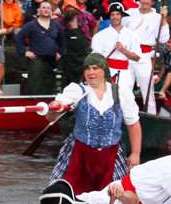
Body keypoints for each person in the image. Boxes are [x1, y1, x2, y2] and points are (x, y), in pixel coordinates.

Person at [48, 51, 141, 195]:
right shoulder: (77, 90)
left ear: (104, 71)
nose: (91, 72)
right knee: (69, 199)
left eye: (95, 68)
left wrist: (135, 153)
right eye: (87, 68)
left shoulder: (120, 92)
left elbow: (133, 124)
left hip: (111, 155)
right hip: (81, 154)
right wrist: (56, 106)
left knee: (116, 199)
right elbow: (52, 116)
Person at [14, 0, 66, 95]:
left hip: (51, 61)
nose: (46, 10)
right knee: (36, 87)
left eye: (48, 8)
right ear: (39, 10)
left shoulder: (56, 25)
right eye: (43, 7)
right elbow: (18, 37)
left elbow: (62, 39)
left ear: (51, 11)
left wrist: (61, 52)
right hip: (37, 61)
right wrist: (24, 52)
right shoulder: (32, 25)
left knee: (50, 87)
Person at [89, 1, 139, 87]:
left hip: (126, 74)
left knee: (124, 98)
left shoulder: (132, 35)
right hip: (107, 72)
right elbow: (95, 58)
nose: (115, 17)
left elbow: (137, 57)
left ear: (122, 16)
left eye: (118, 14)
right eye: (112, 14)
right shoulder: (100, 36)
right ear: (109, 16)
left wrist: (123, 50)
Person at [61, 7, 89, 84]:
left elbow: (95, 23)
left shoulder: (85, 19)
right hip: (69, 60)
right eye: (68, 8)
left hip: (82, 58)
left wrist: (92, 40)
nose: (70, 10)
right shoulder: (61, 22)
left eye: (72, 8)